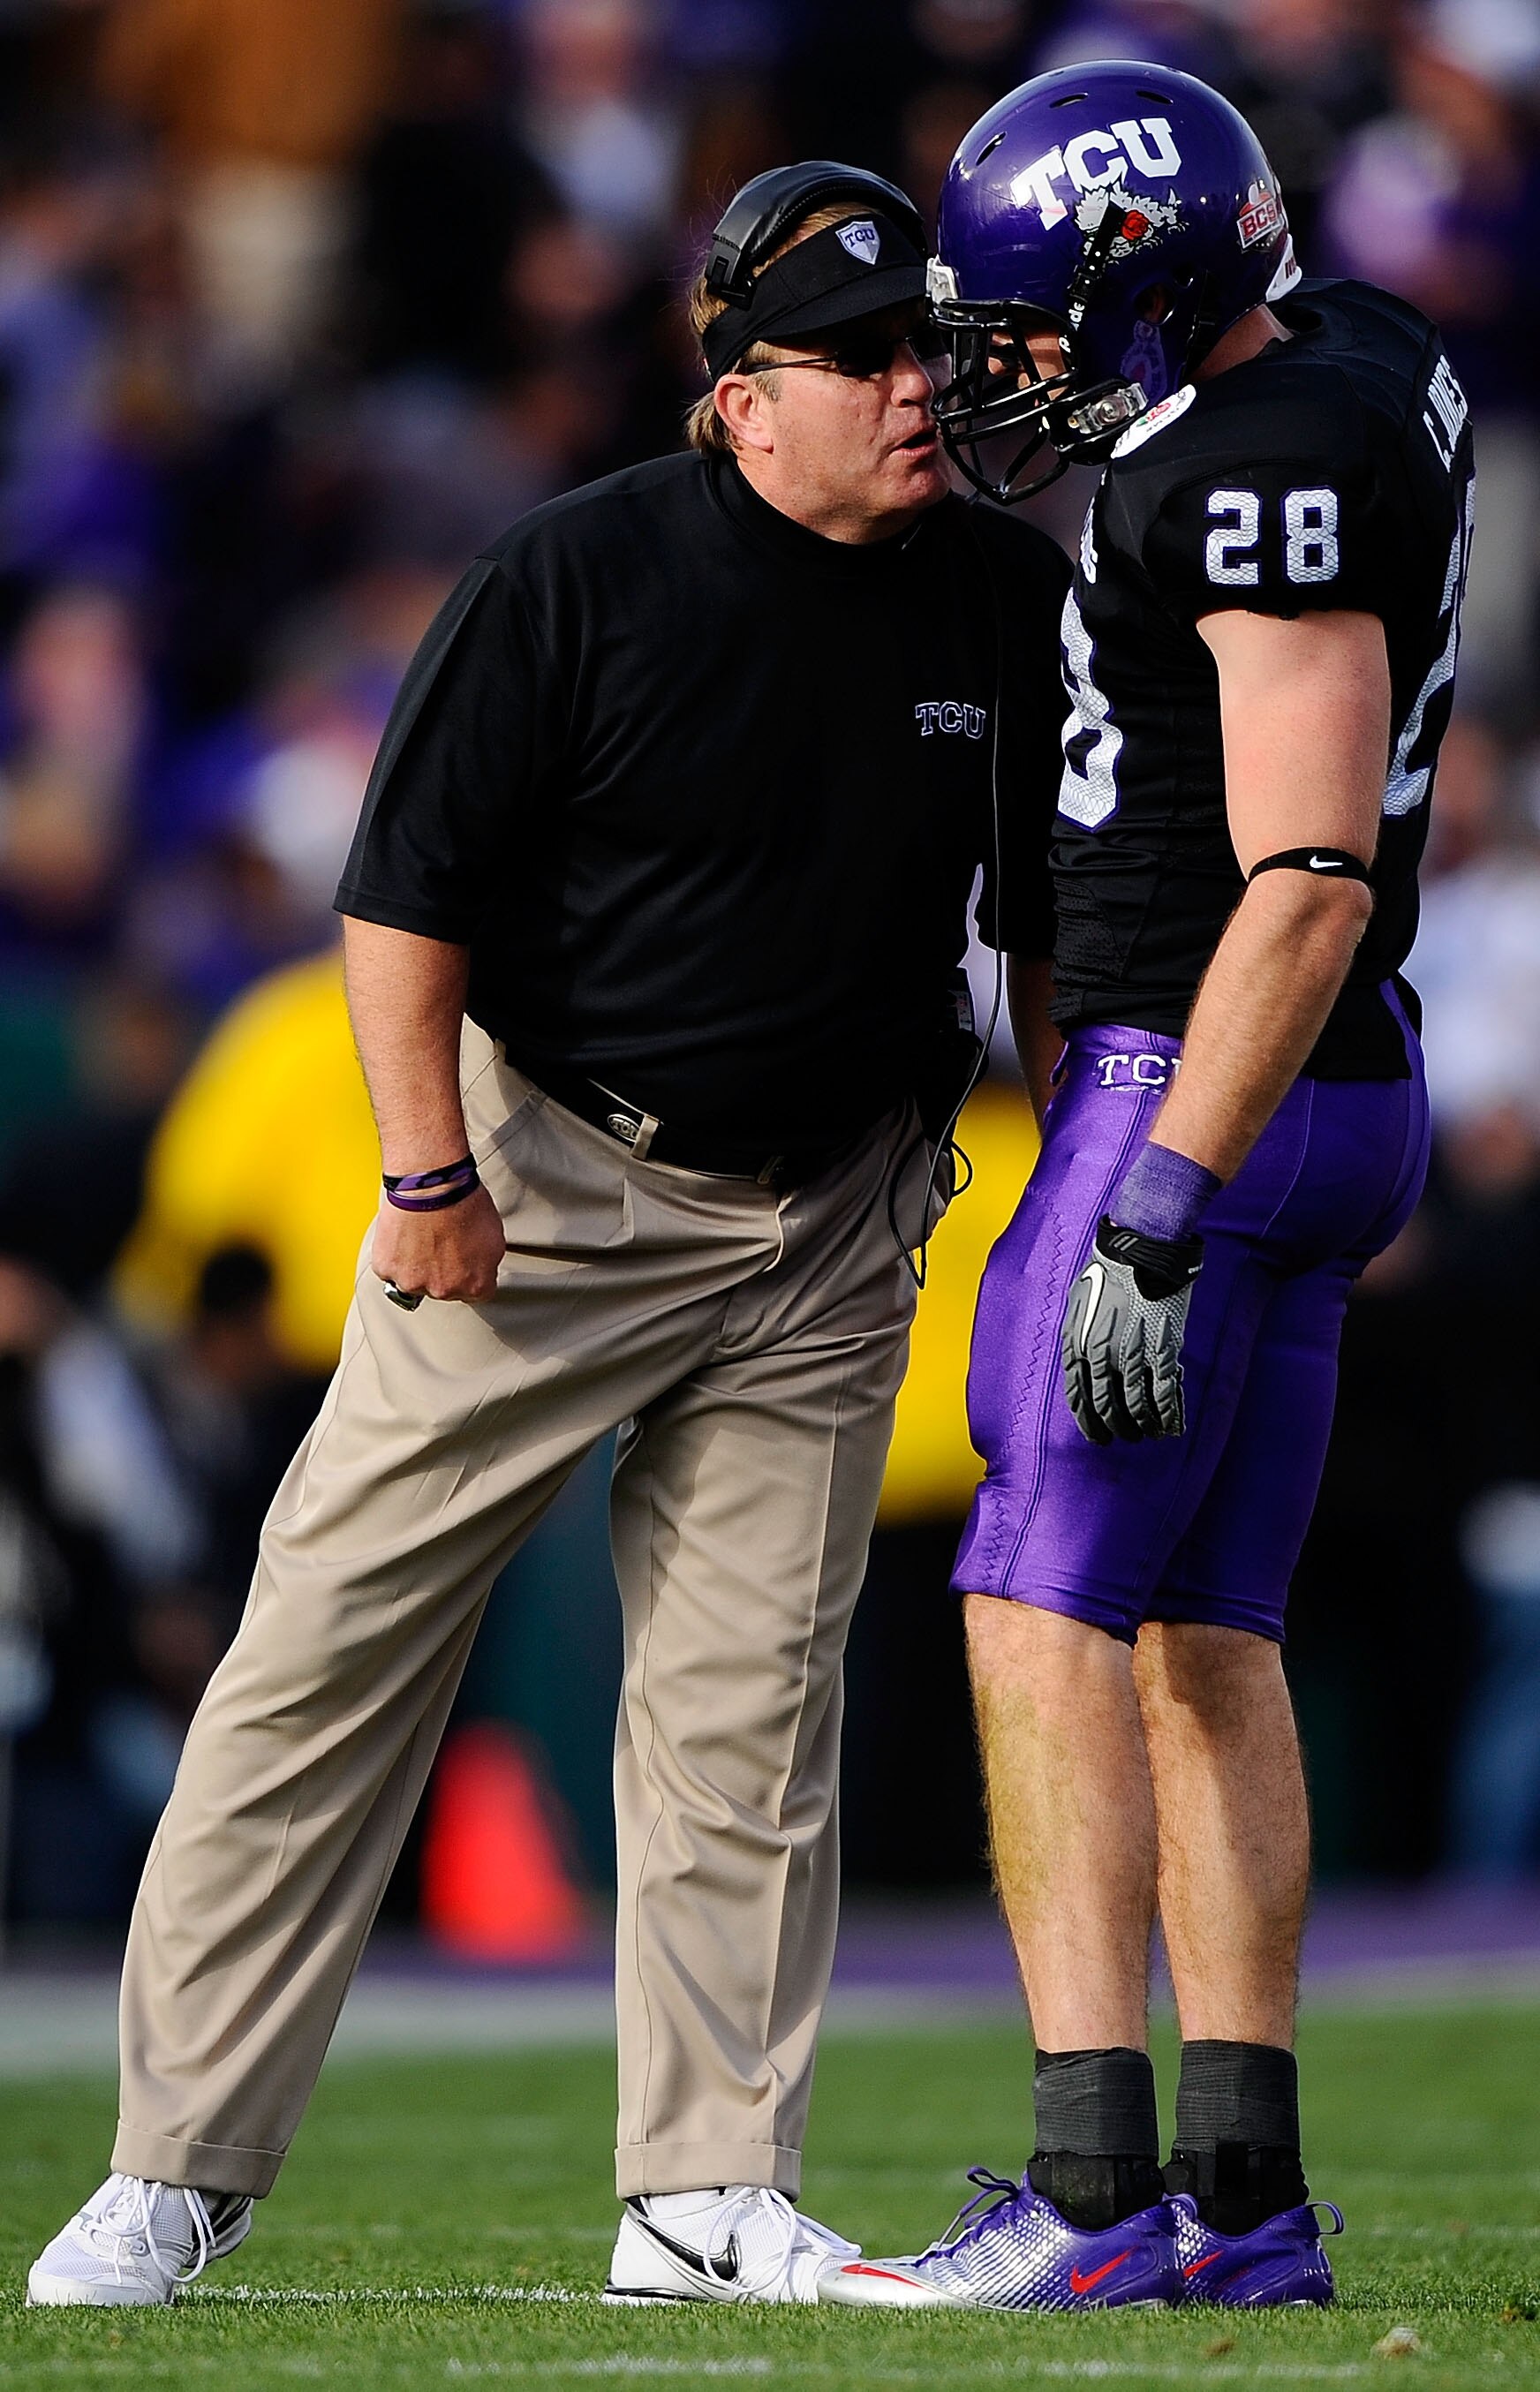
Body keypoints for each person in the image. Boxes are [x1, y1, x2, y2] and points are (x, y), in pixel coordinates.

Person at [27, 161, 1070, 2309]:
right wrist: (428, 1179)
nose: (912, 390)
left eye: (924, 351)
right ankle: (175, 2164)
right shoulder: (571, 573)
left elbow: (1038, 934)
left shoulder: (988, 588)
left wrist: (1063, 1175)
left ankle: (703, 2188)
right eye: (859, 356)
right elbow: (399, 898)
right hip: (555, 1177)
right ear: (731, 392)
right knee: (324, 1656)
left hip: (828, 1207)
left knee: (743, 1710)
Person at [823, 61, 1468, 2314]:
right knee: (1208, 1636)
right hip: (1338, 1086)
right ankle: (1242, 2206)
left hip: (1196, 1064)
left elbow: (1303, 869)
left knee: (1031, 1599)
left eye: (1023, 317)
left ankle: (1087, 2191)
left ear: (1143, 286)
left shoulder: (1258, 475)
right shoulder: (1351, 368)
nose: (990, 365)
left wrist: (1150, 1192)